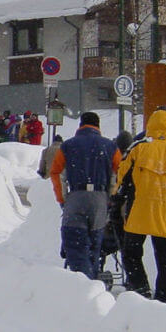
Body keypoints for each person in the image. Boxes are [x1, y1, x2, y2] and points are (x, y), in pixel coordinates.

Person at [114, 109, 166, 303]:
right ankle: (163, 300)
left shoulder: (138, 149)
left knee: (131, 254)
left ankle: (141, 290)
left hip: (139, 212)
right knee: (165, 262)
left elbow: (122, 180)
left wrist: (117, 203)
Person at [51, 112, 121, 279]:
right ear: (98, 126)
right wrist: (110, 197)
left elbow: (56, 173)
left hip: (76, 197)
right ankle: (93, 279)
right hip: (100, 199)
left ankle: (83, 283)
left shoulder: (68, 146)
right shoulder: (110, 147)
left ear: (80, 125)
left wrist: (63, 199)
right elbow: (119, 172)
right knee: (95, 244)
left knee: (75, 244)